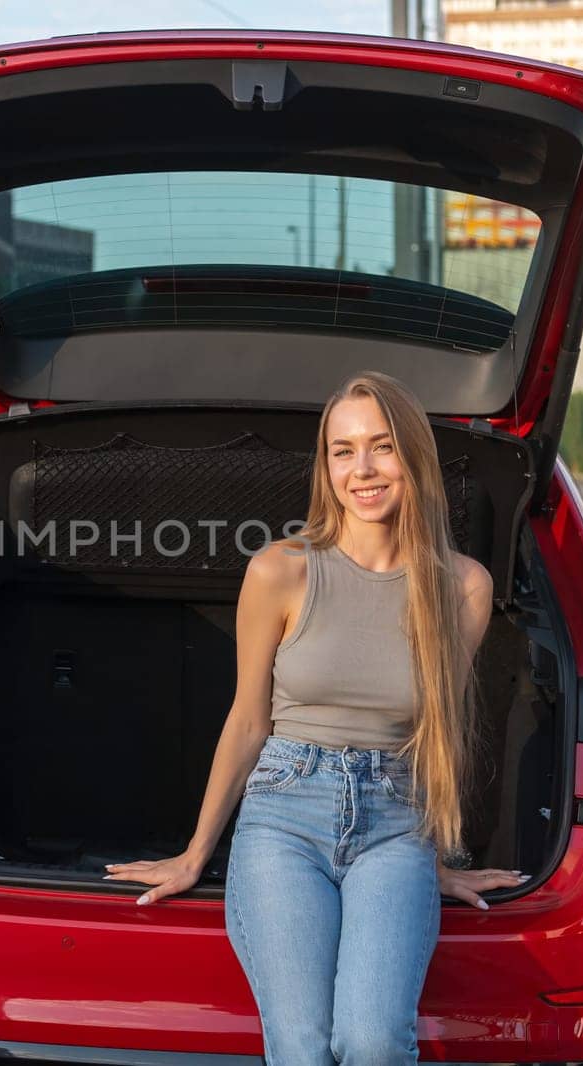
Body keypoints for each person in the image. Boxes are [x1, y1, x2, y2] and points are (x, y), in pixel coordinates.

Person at [103, 370, 526, 1064]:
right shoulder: (282, 571)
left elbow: (436, 738)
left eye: (382, 447)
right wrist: (194, 853)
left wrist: (436, 865)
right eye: (342, 450)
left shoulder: (463, 587)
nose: (362, 469)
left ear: (414, 457)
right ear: (325, 467)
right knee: (301, 1047)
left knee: (372, 1041)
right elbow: (247, 720)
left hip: (396, 826)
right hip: (285, 816)